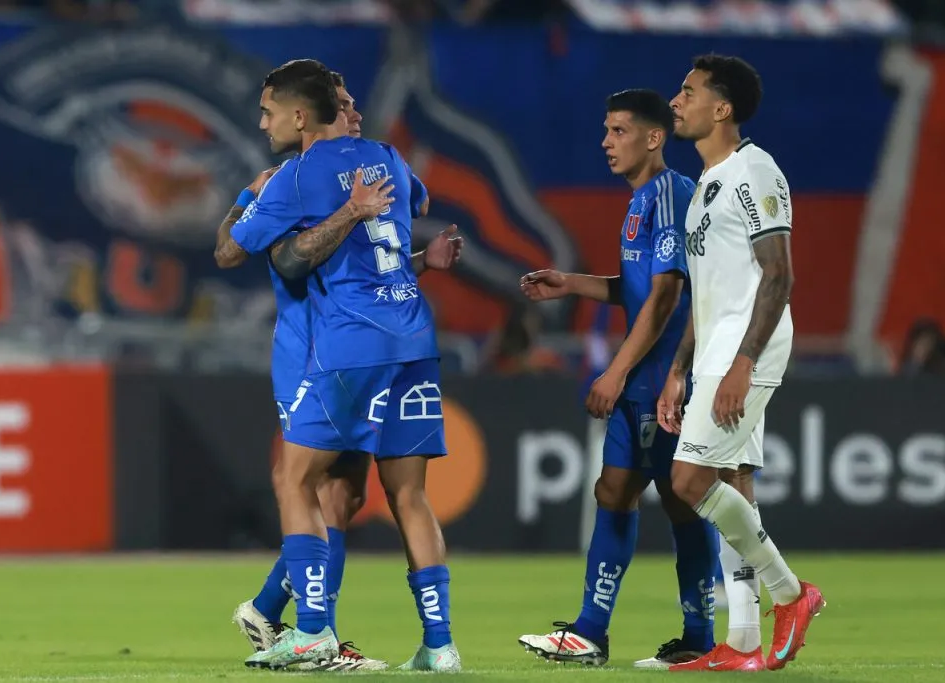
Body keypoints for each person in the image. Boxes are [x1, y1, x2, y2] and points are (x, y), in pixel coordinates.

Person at [216, 59, 461, 672]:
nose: (262, 121)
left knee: (297, 482)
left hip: (341, 346)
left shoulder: (296, 177)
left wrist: (252, 193)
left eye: (269, 111)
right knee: (387, 495)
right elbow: (407, 213)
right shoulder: (389, 158)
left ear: (301, 115)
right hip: (413, 338)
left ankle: (313, 632)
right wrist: (414, 257)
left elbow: (233, 252)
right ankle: (439, 646)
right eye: (345, 100)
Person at [516, 89, 719, 668]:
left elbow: (665, 298)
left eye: (619, 131)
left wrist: (615, 369)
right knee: (615, 490)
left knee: (682, 503)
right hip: (641, 381)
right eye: (606, 130)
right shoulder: (639, 203)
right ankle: (589, 633)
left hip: (664, 381)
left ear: (654, 138)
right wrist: (571, 282)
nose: (607, 141)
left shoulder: (673, 196)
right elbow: (635, 287)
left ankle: (699, 636)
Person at [659, 54, 824, 672]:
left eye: (689, 91)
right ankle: (746, 643)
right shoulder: (707, 185)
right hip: (718, 346)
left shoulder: (756, 171)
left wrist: (741, 362)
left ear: (721, 108)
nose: (677, 100)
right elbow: (708, 292)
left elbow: (778, 274)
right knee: (729, 484)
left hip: (748, 346)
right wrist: (680, 367)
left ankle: (792, 594)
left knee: (688, 481)